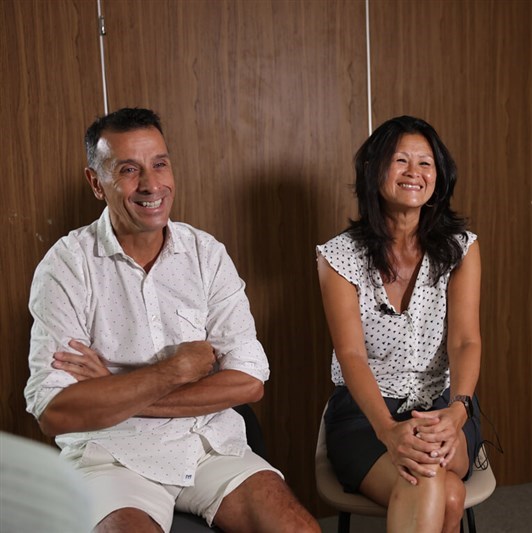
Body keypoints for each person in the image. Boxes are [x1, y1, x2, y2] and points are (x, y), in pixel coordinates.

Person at [24, 108, 319, 533]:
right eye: (129, 170)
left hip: (209, 447)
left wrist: (110, 388)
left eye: (159, 164)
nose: (151, 184)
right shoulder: (67, 266)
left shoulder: (206, 255)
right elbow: (54, 411)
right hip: (111, 456)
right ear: (96, 183)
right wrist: (174, 370)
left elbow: (249, 381)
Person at [316, 115, 482, 533]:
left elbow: (465, 341)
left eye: (425, 163)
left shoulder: (461, 249)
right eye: (400, 161)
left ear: (439, 178)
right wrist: (389, 430)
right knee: (446, 492)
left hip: (444, 409)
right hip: (367, 414)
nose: (414, 173)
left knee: (431, 478)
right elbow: (350, 354)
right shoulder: (340, 256)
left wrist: (460, 410)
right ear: (375, 172)